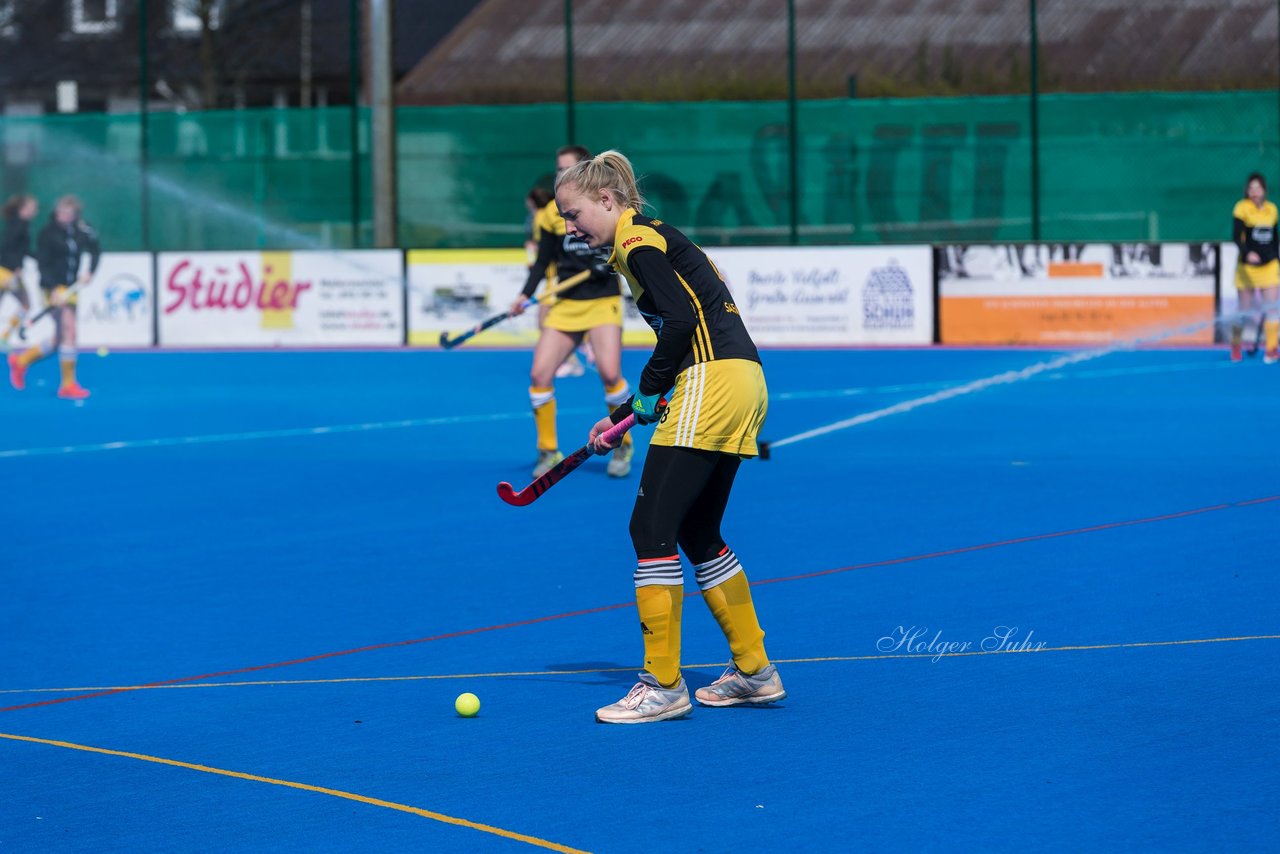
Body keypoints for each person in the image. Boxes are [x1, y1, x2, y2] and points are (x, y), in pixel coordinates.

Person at [555, 150, 785, 724]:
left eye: (574, 212)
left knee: (650, 526)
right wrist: (641, 402)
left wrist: (645, 395)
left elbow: (681, 323)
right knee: (697, 530)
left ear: (606, 201)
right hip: (740, 379)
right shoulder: (655, 237)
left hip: (711, 377)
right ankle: (755, 672)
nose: (569, 226)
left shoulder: (636, 243)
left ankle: (662, 684)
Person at [510, 145, 632, 479]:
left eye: (569, 167)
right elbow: (544, 260)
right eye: (558, 168)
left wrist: (603, 263)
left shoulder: (602, 204)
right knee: (539, 375)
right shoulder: (551, 212)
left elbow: (619, 243)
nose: (562, 174)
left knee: (609, 373)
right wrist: (524, 295)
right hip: (566, 304)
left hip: (601, 300)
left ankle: (621, 443)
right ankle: (548, 451)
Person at [8, 195, 100, 398]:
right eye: (61, 212)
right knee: (70, 331)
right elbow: (43, 265)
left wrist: (90, 271)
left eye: (68, 213)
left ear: (75, 214)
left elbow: (95, 249)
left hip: (71, 287)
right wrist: (53, 290)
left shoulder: (82, 230)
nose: (63, 216)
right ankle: (67, 385)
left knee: (61, 337)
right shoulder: (47, 234)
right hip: (51, 287)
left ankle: (22, 360)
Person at [524, 184, 586, 379]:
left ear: (532, 201)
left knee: (544, 322)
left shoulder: (541, 217)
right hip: (556, 277)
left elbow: (545, 250)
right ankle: (576, 355)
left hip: (556, 278)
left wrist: (533, 253)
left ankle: (570, 360)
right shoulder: (550, 213)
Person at [1230, 172, 1279, 362]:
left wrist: (1277, 258)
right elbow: (1236, 236)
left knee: (1272, 309)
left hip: (1269, 266)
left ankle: (1272, 349)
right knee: (1243, 310)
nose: (1254, 191)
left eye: (1258, 188)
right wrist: (1247, 252)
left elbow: (1275, 238)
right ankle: (1236, 345)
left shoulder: (1272, 210)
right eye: (1251, 188)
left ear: (1264, 190)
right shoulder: (1242, 208)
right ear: (1247, 191)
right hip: (1247, 270)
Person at [0, 194, 38, 341]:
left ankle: (4, 337)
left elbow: (23, 249)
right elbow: (8, 247)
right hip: (8, 272)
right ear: (22, 209)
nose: (34, 211)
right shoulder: (20, 224)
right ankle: (4, 336)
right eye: (31, 208)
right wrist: (16, 266)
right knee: (26, 304)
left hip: (4, 270)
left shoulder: (15, 223)